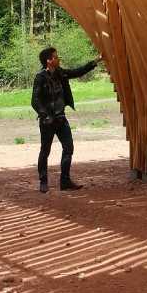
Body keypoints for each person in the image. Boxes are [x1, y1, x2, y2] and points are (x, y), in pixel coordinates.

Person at [31, 46, 102, 192]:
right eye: (56, 57)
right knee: (45, 150)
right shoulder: (40, 77)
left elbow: (77, 71)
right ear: (49, 60)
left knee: (68, 147)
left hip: (61, 118)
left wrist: (97, 60)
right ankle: (43, 181)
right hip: (47, 121)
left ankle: (65, 181)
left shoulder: (60, 73)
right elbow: (35, 101)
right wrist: (45, 116)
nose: (58, 59)